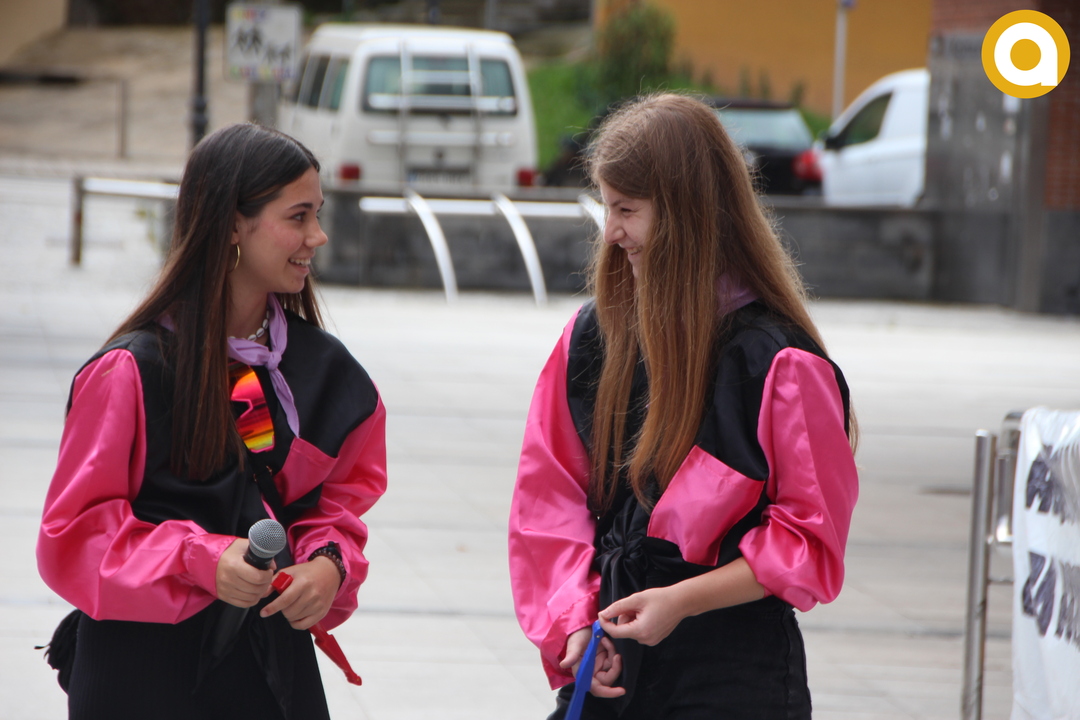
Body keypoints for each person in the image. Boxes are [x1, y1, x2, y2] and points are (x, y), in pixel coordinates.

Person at [508, 93, 859, 719]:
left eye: (627, 210)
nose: (611, 233)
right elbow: (548, 502)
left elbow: (809, 544)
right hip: (614, 665)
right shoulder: (591, 337)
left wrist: (681, 600)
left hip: (734, 679)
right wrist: (575, 623)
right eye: (607, 207)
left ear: (686, 215)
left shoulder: (779, 362)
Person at [37, 124, 387, 720]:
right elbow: (74, 535)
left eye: (318, 214)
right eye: (298, 216)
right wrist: (200, 559)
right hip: (139, 670)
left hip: (270, 668)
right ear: (230, 225)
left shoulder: (332, 375)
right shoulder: (129, 371)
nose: (318, 236)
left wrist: (328, 565)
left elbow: (335, 507)